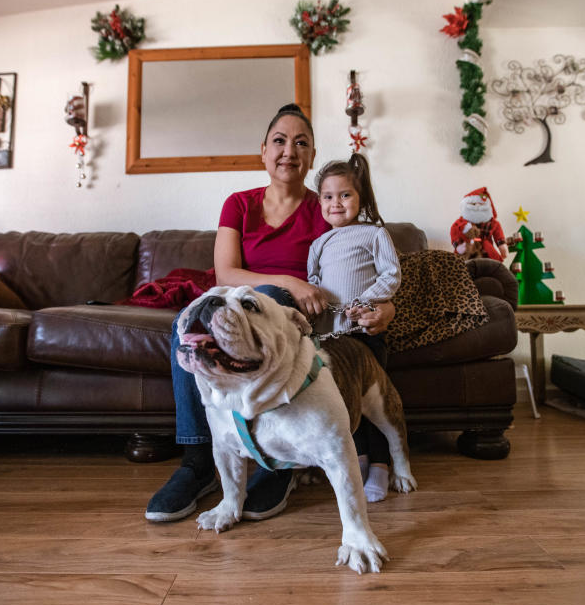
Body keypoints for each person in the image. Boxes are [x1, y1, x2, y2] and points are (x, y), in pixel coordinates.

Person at [146, 103, 396, 522]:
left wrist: (382, 304)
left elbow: (360, 261)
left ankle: (277, 463)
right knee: (183, 326)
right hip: (247, 302)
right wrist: (290, 282)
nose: (289, 151)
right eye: (279, 141)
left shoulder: (327, 206)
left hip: (297, 316)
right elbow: (225, 273)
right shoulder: (239, 204)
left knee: (273, 303)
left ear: (312, 157)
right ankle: (198, 462)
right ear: (263, 150)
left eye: (301, 143)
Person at [308, 152, 400, 502]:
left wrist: (366, 301)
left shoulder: (374, 234)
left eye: (345, 195)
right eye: (328, 196)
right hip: (332, 337)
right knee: (345, 402)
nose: (336, 203)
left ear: (360, 197)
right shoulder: (318, 244)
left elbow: (391, 274)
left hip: (365, 333)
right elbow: (313, 282)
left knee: (371, 399)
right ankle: (358, 459)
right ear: (319, 202)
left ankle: (381, 464)